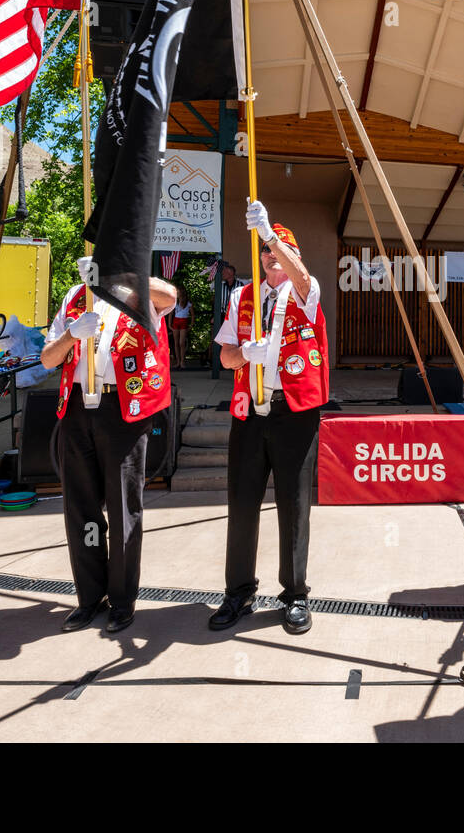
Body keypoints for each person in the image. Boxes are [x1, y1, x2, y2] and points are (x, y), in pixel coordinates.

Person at [40, 257, 177, 634]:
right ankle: (90, 596)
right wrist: (71, 335)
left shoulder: (137, 295)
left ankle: (122, 599)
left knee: (122, 511)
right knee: (81, 509)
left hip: (124, 410)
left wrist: (121, 275)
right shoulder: (74, 297)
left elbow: (171, 295)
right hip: (78, 408)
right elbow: (48, 357)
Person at [209, 201, 328, 635]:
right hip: (250, 412)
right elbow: (224, 357)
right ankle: (238, 592)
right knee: (241, 505)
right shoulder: (242, 296)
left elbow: (302, 277)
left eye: (279, 251)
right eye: (264, 253)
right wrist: (244, 354)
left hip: (293, 412)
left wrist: (272, 236)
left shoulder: (305, 290)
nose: (270, 257)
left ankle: (295, 595)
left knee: (294, 507)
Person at [209, 262, 243, 379]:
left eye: (225, 271)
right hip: (222, 315)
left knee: (233, 340)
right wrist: (214, 315)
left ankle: (232, 363)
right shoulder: (219, 285)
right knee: (218, 339)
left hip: (235, 316)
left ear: (231, 273)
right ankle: (216, 363)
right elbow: (213, 301)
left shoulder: (240, 285)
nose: (223, 273)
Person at [171, 283, 191, 370]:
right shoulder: (175, 302)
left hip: (184, 322)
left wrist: (191, 325)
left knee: (181, 343)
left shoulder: (188, 303)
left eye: (178, 292)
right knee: (176, 343)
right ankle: (178, 361)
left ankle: (182, 361)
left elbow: (193, 315)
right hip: (176, 321)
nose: (177, 294)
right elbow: (171, 313)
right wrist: (169, 324)